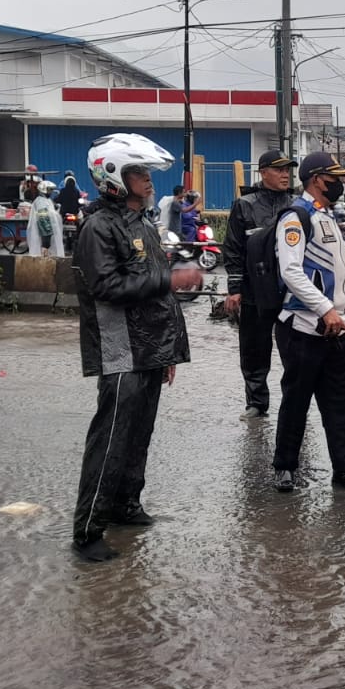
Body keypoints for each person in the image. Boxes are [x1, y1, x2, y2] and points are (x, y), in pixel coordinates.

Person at [70, 132, 202, 562]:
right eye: (138, 172)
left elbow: (158, 296)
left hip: (149, 350)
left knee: (139, 435)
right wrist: (170, 279)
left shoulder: (143, 222)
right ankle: (88, 531)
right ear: (113, 177)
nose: (148, 180)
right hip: (120, 350)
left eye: (146, 172)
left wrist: (167, 352)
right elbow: (107, 286)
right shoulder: (98, 227)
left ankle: (126, 505)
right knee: (110, 440)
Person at [270, 151, 345, 496]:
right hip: (303, 328)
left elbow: (333, 270)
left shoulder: (326, 216)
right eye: (335, 179)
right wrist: (325, 308)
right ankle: (285, 467)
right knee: (296, 402)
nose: (340, 184)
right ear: (317, 180)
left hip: (337, 330)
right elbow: (291, 272)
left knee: (340, 404)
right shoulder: (296, 217)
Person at [221, 150, 297, 420]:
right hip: (255, 289)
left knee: (295, 350)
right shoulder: (245, 205)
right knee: (254, 348)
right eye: (279, 170)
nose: (285, 175)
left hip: (290, 290)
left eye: (287, 170)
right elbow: (233, 249)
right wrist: (235, 289)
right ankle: (256, 402)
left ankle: (295, 403)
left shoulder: (297, 204)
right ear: (263, 173)